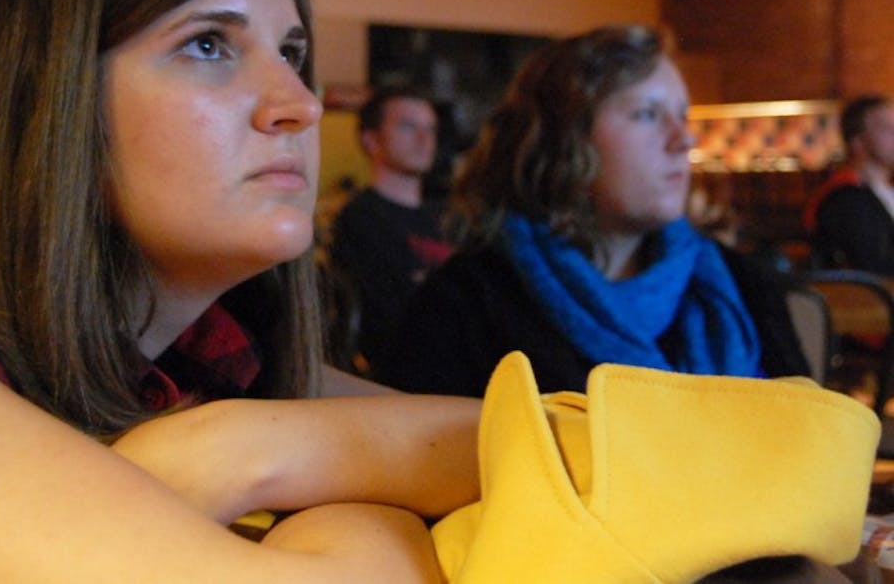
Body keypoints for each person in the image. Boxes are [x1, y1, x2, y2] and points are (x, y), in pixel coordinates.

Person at [0, 0, 482, 582]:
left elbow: (566, 443)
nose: (300, 103)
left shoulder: (205, 360)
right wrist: (341, 493)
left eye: (292, 54)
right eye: (208, 44)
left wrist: (240, 447)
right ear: (35, 88)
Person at [371, 24, 810, 397]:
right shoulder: (469, 304)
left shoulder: (743, 287)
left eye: (682, 115)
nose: (684, 139)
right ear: (566, 141)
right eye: (646, 114)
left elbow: (809, 445)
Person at [328, 86, 453, 373]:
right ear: (371, 140)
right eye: (408, 127)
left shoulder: (448, 216)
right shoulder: (360, 218)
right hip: (409, 372)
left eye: (430, 128)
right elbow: (390, 319)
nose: (425, 139)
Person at [804, 95, 894, 275]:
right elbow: (873, 266)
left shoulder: (885, 191)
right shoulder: (844, 198)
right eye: (886, 129)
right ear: (857, 141)